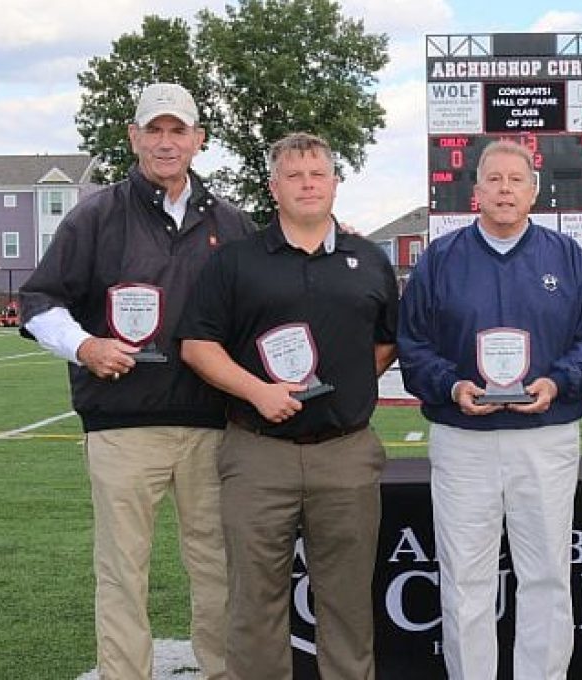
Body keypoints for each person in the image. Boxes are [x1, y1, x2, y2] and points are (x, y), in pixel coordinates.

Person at [19, 82, 255, 680]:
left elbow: (265, 309)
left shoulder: (232, 223)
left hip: (211, 426)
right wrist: (85, 345)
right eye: (155, 130)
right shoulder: (95, 215)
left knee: (218, 567)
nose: (166, 142)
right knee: (123, 570)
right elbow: (40, 301)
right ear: (133, 137)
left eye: (179, 131)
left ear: (199, 140)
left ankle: (224, 671)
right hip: (122, 427)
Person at [178, 132, 398, 680]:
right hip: (258, 454)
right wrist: (258, 391)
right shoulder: (236, 261)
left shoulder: (368, 259)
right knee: (254, 606)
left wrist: (344, 386)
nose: (308, 184)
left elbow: (387, 340)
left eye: (318, 174)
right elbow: (197, 345)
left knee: (347, 606)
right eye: (294, 175)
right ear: (273, 187)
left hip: (344, 453)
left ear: (335, 184)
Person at [397, 140, 582, 680]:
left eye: (515, 180)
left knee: (545, 575)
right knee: (465, 578)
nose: (504, 189)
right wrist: (451, 387)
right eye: (493, 179)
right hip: (462, 438)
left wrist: (557, 381)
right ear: (475, 191)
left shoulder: (567, 257)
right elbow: (414, 345)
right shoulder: (440, 259)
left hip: (544, 434)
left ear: (533, 191)